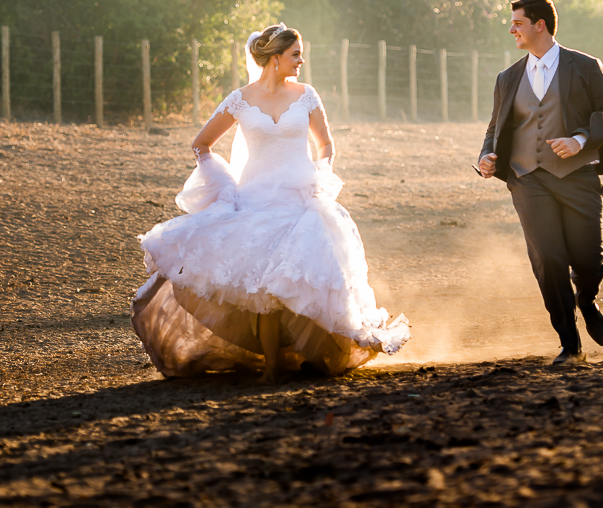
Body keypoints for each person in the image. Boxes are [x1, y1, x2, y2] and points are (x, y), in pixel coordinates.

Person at [131, 23, 410, 383]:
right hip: (254, 204)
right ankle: (273, 366)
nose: (301, 60)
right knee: (260, 288)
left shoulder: (307, 95)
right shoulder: (240, 99)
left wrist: (319, 181)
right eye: (295, 54)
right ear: (275, 58)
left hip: (299, 202)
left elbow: (326, 145)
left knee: (296, 281)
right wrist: (225, 187)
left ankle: (311, 354)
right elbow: (202, 144)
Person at [477, 0, 603, 364]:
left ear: (540, 25)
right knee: (547, 260)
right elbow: (495, 129)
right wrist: (486, 156)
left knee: (588, 260)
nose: (511, 28)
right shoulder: (507, 78)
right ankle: (570, 343)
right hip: (526, 178)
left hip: (577, 175)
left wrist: (579, 140)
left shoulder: (584, 66)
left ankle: (587, 298)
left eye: (518, 22)